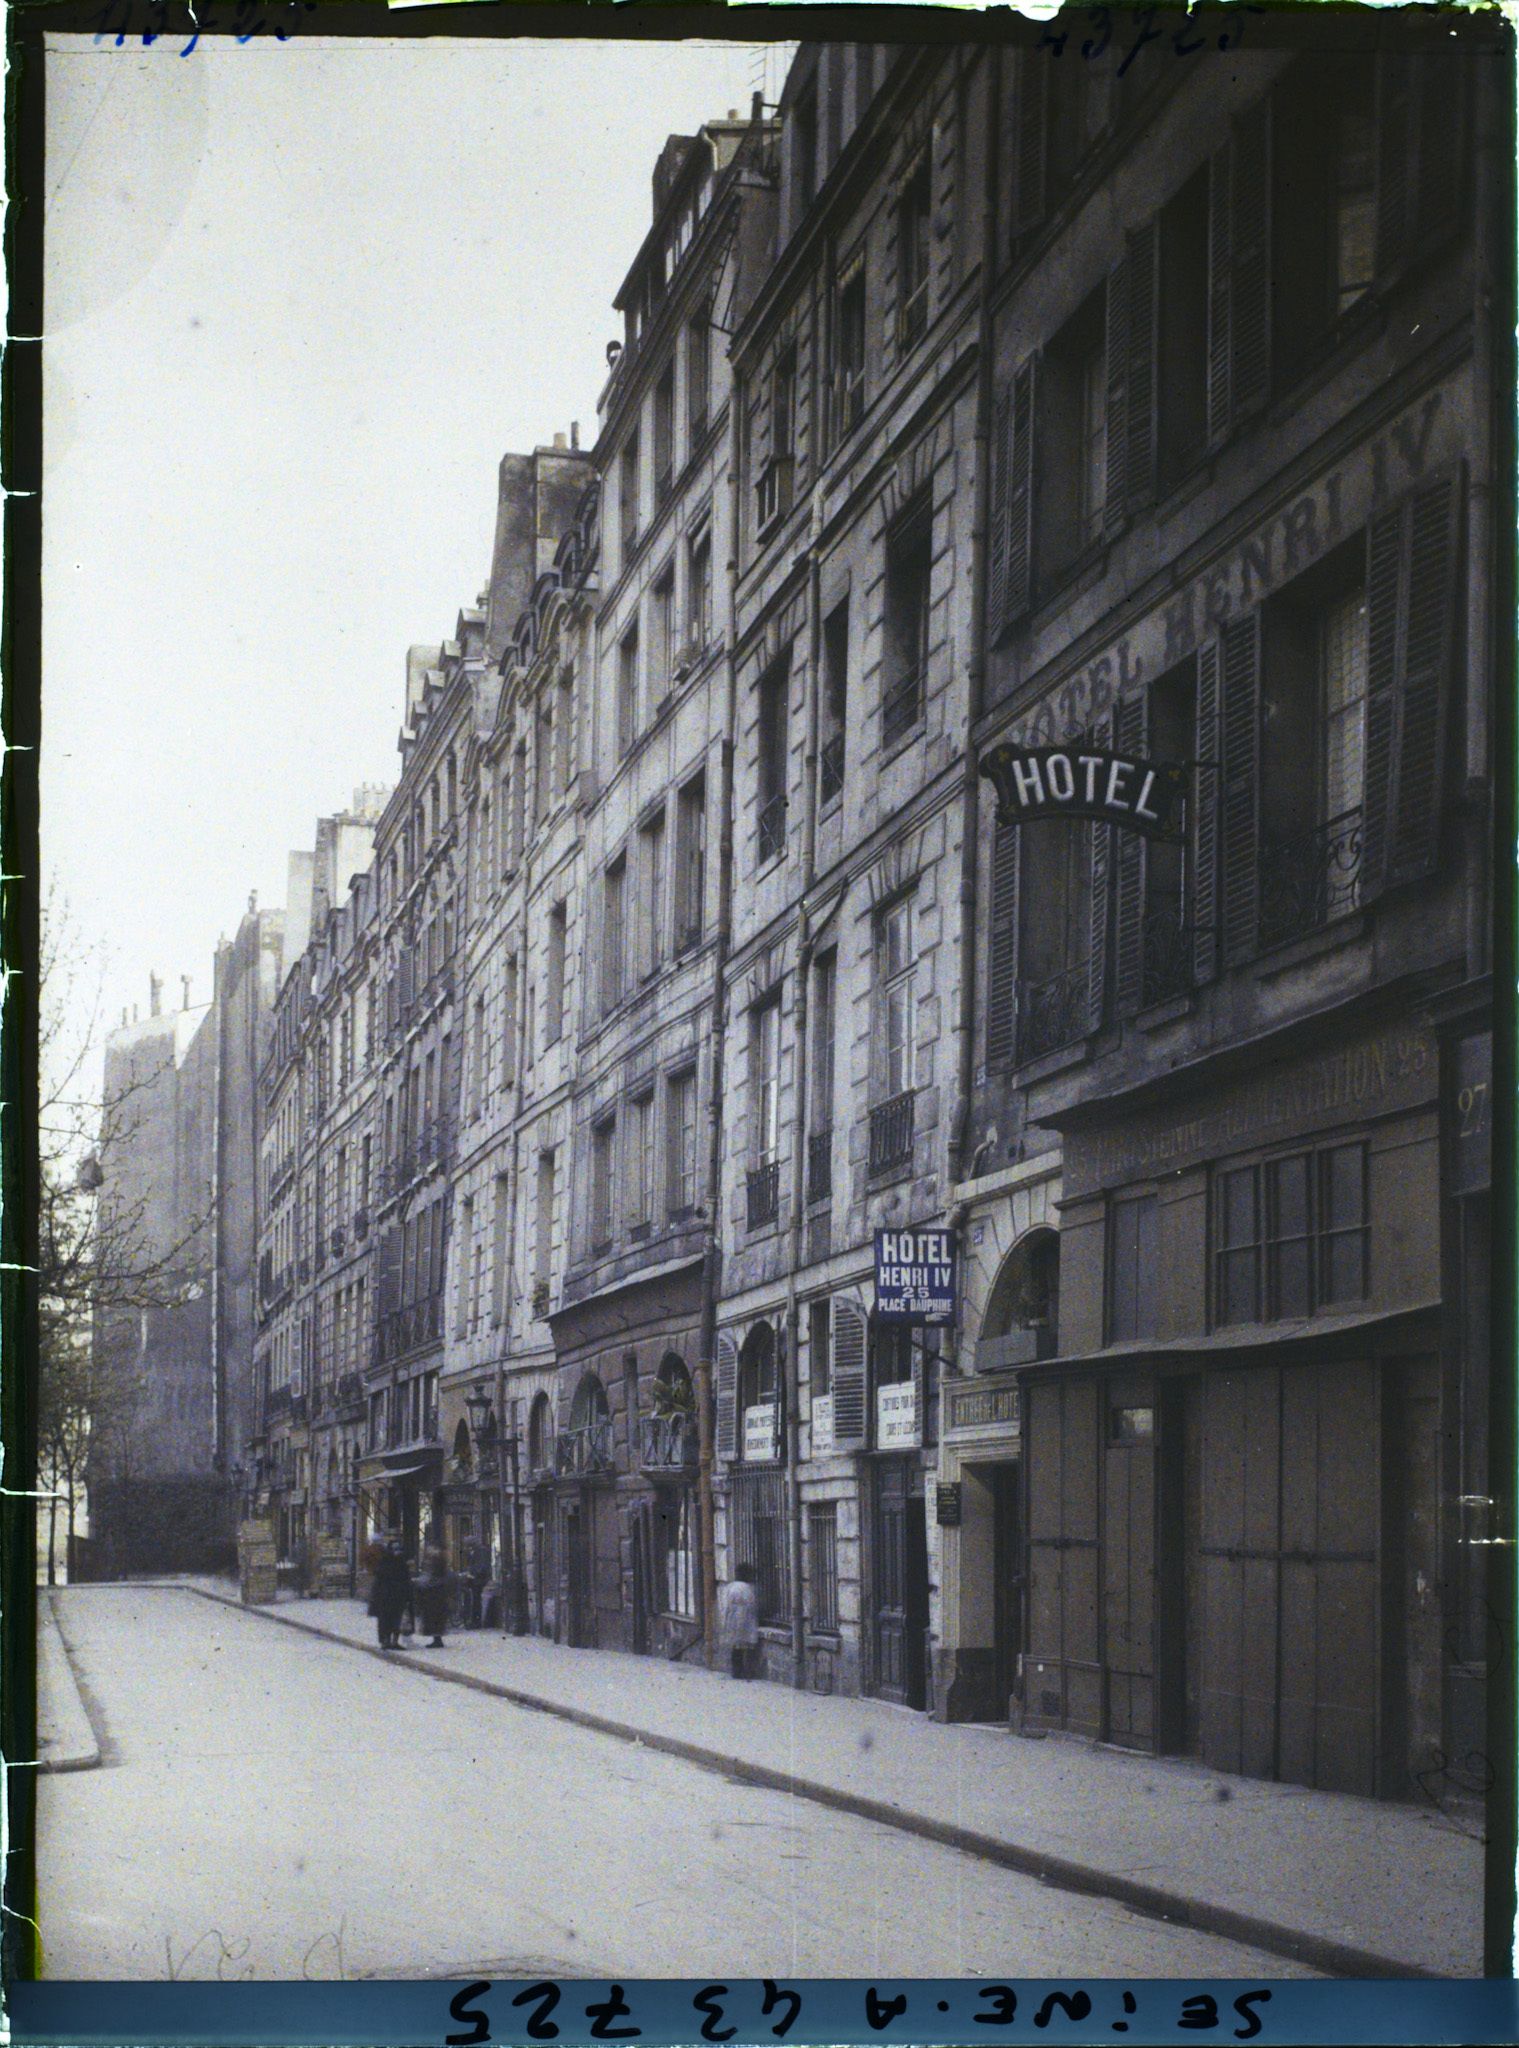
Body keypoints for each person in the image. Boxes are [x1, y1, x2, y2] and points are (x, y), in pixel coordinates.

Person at [718, 1562, 760, 1680]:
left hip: (733, 1618)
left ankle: (736, 1671)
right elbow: (752, 1604)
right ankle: (747, 1671)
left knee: (736, 1647)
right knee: (747, 1646)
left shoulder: (731, 1586)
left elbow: (725, 1604)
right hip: (746, 1619)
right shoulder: (748, 1588)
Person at [368, 1539, 412, 1650]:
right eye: (395, 1550)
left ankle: (394, 1641)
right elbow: (379, 1579)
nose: (397, 1552)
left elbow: (406, 1580)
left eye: (398, 1550)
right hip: (386, 1597)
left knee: (396, 1619)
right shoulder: (385, 1562)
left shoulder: (401, 1563)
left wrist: (408, 1595)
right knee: (385, 1620)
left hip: (397, 1596)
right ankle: (385, 1640)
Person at [415, 1544, 453, 1649]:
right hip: (437, 1593)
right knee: (435, 1617)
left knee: (434, 1617)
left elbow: (432, 1577)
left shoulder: (436, 1562)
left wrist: (422, 1583)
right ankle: (437, 1638)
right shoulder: (438, 1561)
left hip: (434, 1594)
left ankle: (437, 1639)